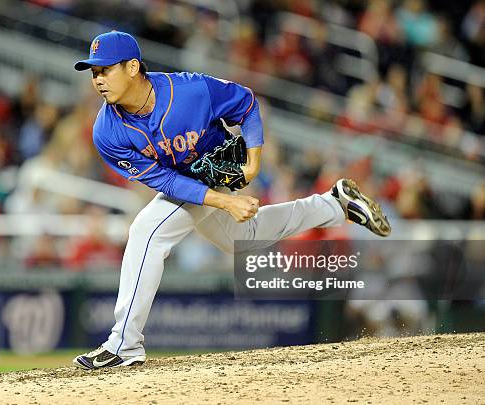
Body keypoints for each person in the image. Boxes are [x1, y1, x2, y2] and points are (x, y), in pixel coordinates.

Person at [72, 31, 391, 370]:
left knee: (147, 232)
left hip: (217, 167)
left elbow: (246, 102)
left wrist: (253, 161)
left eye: (105, 70)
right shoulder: (106, 131)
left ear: (133, 67)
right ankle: (333, 204)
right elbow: (165, 181)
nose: (98, 80)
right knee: (243, 239)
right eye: (94, 73)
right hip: (186, 182)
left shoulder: (190, 91)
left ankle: (124, 344)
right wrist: (225, 203)